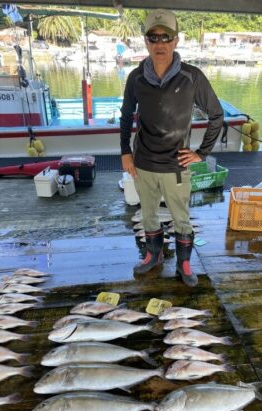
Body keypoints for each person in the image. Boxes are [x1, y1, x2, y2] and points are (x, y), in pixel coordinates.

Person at [120, 9, 224, 287]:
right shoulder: (136, 77)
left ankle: (184, 262)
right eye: (153, 37)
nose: (159, 43)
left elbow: (217, 115)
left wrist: (201, 152)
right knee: (147, 214)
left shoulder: (192, 77)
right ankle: (153, 256)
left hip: (176, 165)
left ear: (175, 40)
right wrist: (125, 152)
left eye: (166, 36)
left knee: (181, 217)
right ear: (146, 41)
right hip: (143, 162)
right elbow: (126, 114)